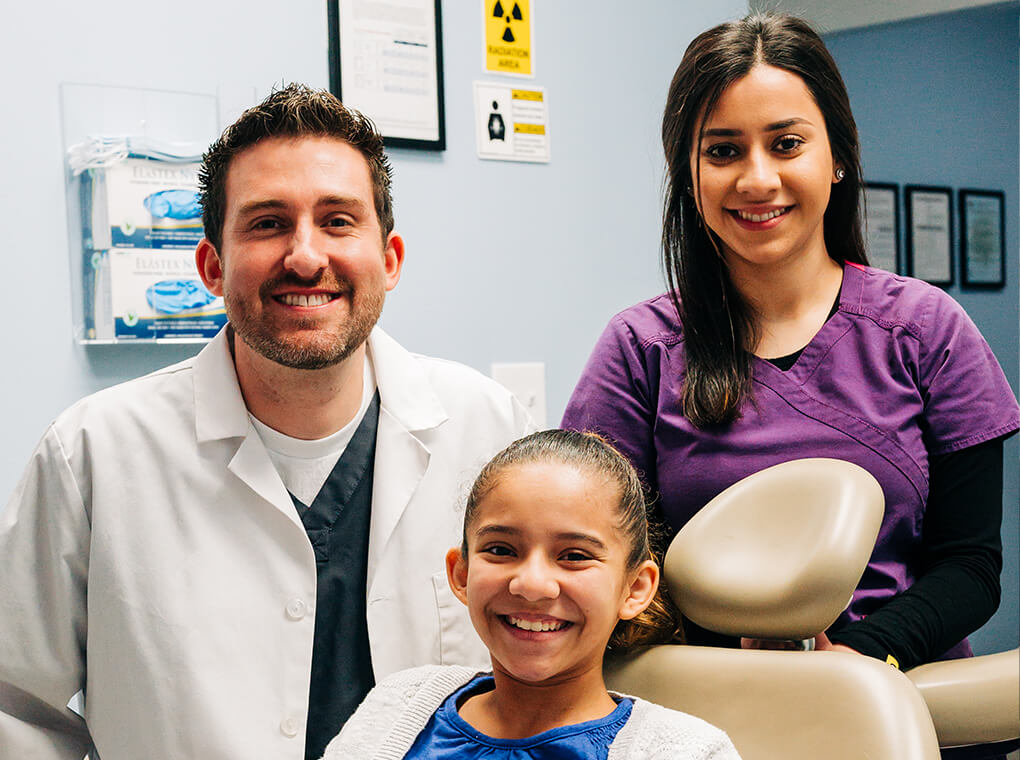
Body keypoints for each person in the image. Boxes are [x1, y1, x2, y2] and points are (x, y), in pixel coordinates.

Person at [0, 84, 532, 760]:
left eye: (338, 220)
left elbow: (544, 675)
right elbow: (16, 709)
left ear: (389, 259)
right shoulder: (94, 455)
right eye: (267, 222)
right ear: (212, 266)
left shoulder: (489, 430)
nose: (306, 257)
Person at [562, 12, 1019, 678]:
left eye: (785, 144)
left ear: (836, 157)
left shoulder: (927, 332)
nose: (756, 179)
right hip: (712, 709)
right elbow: (600, 561)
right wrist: (733, 654)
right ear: (688, 175)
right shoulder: (639, 352)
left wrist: (860, 657)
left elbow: (971, 567)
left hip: (897, 698)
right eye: (722, 151)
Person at [321, 429, 741, 760]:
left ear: (634, 588)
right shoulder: (395, 709)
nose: (532, 585)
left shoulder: (690, 752)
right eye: (501, 550)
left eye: (574, 556)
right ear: (461, 574)